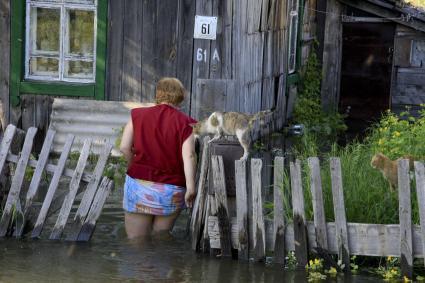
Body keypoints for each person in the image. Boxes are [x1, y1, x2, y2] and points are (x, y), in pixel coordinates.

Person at [119, 77, 197, 239]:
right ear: (180, 96)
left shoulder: (137, 115)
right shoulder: (187, 123)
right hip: (171, 190)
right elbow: (189, 155)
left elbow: (124, 147)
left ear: (158, 93)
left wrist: (134, 165)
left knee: (136, 242)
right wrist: (191, 187)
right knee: (160, 240)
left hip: (139, 186)